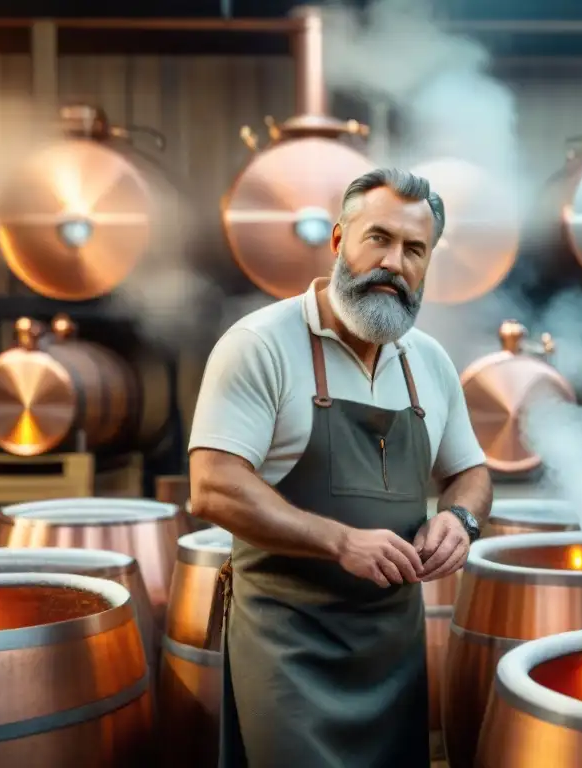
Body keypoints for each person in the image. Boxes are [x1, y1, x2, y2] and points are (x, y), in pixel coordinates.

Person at [188, 167, 493, 768]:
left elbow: (473, 473)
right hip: (289, 649)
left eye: (414, 249)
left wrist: (460, 518)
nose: (394, 263)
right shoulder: (260, 344)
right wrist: (339, 541)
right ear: (338, 242)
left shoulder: (428, 361)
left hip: (393, 650)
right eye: (377, 238)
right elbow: (213, 487)